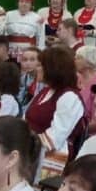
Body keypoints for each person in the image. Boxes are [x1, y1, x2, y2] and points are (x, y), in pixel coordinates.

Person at [24, 45, 85, 180]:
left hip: (49, 157)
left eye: (40, 65)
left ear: (53, 69)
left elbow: (54, 138)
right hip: (30, 151)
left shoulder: (70, 97)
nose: (37, 69)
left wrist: (22, 140)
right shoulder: (45, 91)